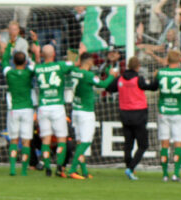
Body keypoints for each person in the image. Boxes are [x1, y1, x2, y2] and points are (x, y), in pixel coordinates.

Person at [69, 51, 118, 180]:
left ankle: (84, 171)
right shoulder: (88, 75)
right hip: (86, 112)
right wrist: (111, 76)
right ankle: (72, 170)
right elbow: (103, 84)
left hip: (75, 109)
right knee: (86, 142)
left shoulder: (74, 71)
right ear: (89, 61)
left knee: (80, 142)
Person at [109, 55, 158, 180]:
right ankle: (130, 168)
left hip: (125, 115)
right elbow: (153, 87)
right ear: (138, 67)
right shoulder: (138, 80)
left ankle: (129, 167)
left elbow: (109, 88)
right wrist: (156, 77)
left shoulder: (120, 79)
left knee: (128, 144)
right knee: (143, 145)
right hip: (139, 115)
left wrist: (112, 77)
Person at [33, 43, 74, 177]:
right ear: (54, 54)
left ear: (43, 56)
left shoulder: (38, 68)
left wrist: (37, 53)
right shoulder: (60, 66)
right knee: (62, 139)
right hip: (57, 105)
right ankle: (59, 167)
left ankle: (47, 167)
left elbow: (36, 64)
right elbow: (74, 63)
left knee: (46, 139)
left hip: (43, 107)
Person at [0, 40, 35, 177]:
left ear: (13, 62)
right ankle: (24, 170)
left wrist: (9, 44)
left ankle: (13, 168)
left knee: (14, 140)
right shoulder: (28, 73)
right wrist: (34, 49)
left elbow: (3, 61)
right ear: (25, 62)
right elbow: (35, 66)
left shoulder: (9, 73)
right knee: (26, 140)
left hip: (14, 109)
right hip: (27, 109)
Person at [155, 50, 181, 183]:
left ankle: (165, 174)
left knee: (164, 144)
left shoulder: (160, 73)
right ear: (179, 60)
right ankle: (176, 174)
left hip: (164, 111)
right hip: (178, 112)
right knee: (178, 143)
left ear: (167, 59)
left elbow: (155, 84)